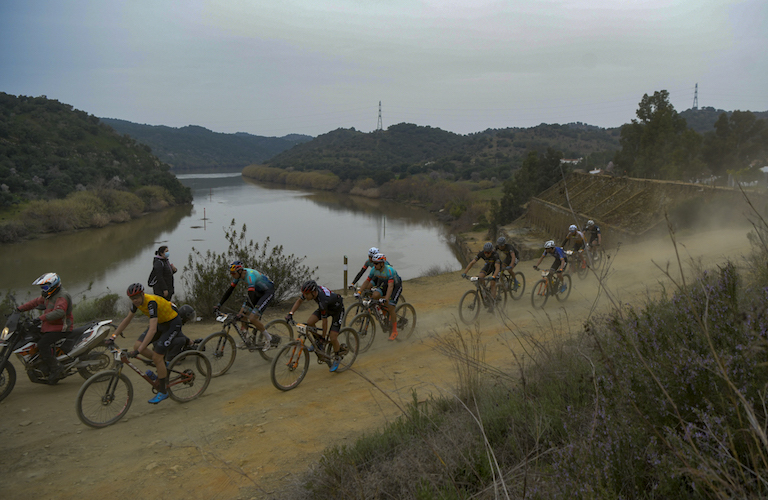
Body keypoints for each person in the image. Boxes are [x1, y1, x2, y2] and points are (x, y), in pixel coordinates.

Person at [111, 283, 184, 404]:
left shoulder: (151, 303)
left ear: (142, 294)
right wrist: (113, 337)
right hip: (161, 323)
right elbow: (126, 320)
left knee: (156, 356)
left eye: (136, 298)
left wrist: (139, 351)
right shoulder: (136, 304)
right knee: (138, 346)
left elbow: (152, 329)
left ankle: (163, 391)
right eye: (132, 299)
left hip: (172, 323)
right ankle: (162, 367)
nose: (134, 301)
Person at [17, 273, 73, 384]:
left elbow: (60, 312)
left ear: (54, 285)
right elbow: (35, 302)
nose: (43, 289)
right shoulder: (48, 295)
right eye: (42, 287)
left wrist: (40, 318)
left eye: (45, 287)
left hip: (61, 327)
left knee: (42, 344)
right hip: (50, 326)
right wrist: (19, 309)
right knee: (34, 336)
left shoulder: (61, 296)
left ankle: (56, 368)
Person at [213, 260, 279, 352]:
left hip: (267, 292)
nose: (232, 275)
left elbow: (251, 296)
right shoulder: (238, 276)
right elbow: (229, 291)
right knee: (242, 315)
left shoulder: (250, 276)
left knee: (252, 318)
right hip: (257, 292)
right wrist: (219, 305)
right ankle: (247, 338)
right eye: (231, 273)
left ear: (240, 271)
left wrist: (246, 311)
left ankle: (269, 339)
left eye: (233, 273)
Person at [285, 280, 347, 372]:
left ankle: (337, 357)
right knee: (310, 322)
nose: (305, 296)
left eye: (306, 294)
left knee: (333, 337)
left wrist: (323, 337)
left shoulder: (323, 300)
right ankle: (317, 341)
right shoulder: (311, 292)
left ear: (313, 293)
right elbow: (299, 301)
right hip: (326, 308)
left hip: (337, 310)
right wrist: (291, 313)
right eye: (304, 294)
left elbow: (324, 323)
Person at [358, 253, 403, 340]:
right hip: (386, 283)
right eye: (373, 263)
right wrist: (359, 291)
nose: (374, 265)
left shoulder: (389, 270)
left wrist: (386, 298)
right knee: (375, 295)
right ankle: (383, 313)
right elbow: (367, 281)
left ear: (382, 263)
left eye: (376, 263)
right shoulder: (374, 270)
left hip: (396, 286)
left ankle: (394, 331)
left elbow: (391, 287)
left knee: (390, 306)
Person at [461, 242, 502, 310]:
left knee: (492, 283)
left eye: (488, 253)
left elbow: (497, 268)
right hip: (489, 266)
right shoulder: (481, 253)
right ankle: (486, 291)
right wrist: (465, 272)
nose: (486, 254)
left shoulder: (495, 255)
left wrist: (493, 276)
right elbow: (472, 263)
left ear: (491, 251)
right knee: (480, 277)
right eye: (485, 252)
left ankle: (493, 303)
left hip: (497, 267)